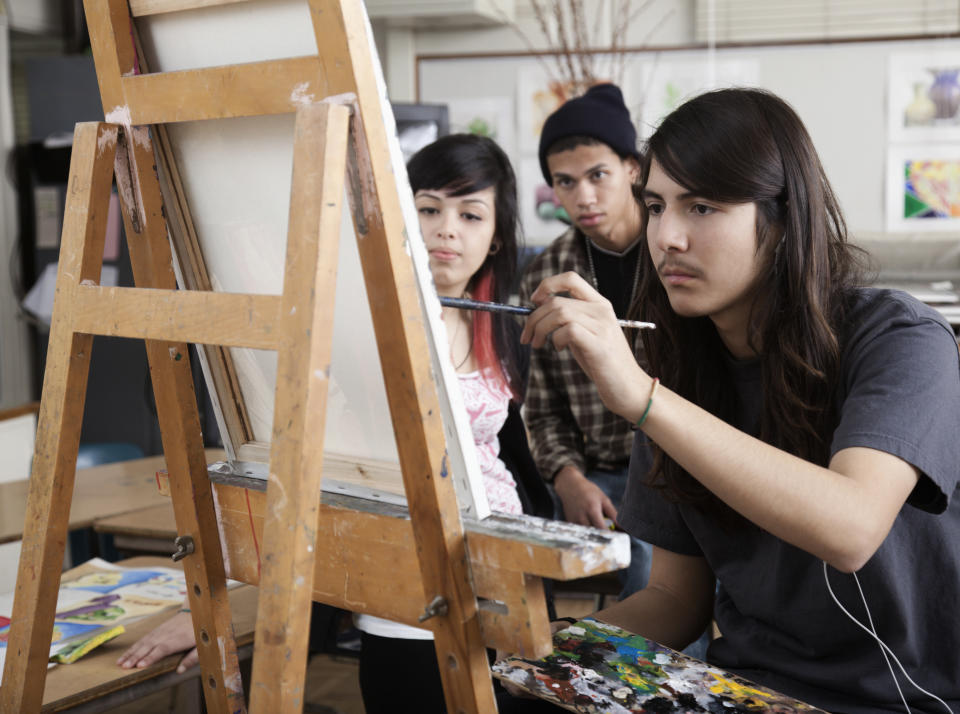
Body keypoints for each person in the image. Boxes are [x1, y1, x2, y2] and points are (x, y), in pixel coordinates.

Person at [519, 87, 960, 713]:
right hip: (748, 691)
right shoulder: (679, 374)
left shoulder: (900, 337)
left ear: (781, 217)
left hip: (907, 698)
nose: (667, 236)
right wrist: (544, 646)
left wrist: (644, 400)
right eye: (655, 205)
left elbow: (851, 527)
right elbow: (676, 599)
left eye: (701, 207)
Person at [119, 133, 553, 712]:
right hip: (406, 569)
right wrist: (236, 603)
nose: (448, 229)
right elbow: (287, 454)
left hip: (502, 569)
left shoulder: (505, 328)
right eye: (428, 208)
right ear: (399, 213)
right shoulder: (359, 325)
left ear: (496, 235)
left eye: (470, 214)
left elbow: (508, 459)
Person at [519, 82, 652, 600]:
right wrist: (568, 479)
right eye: (565, 182)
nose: (583, 197)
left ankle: (654, 679)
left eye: (598, 175)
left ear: (632, 169)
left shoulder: (675, 254)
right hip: (594, 471)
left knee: (652, 557)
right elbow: (541, 408)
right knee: (512, 533)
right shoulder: (548, 273)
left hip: (676, 466)